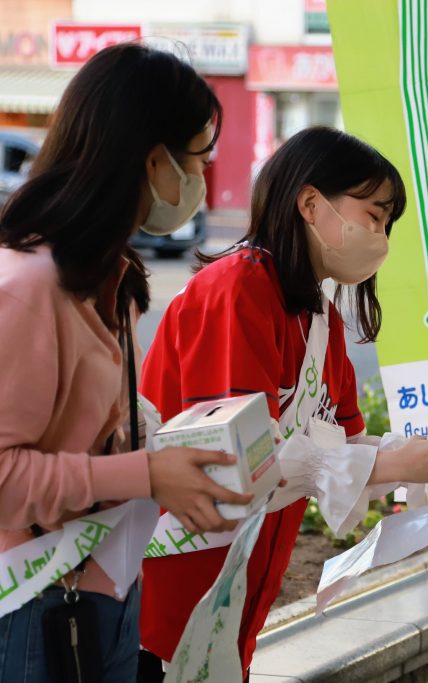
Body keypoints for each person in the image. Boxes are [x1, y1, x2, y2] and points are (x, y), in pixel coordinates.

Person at [134, 127, 428, 679]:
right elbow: (239, 459)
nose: (381, 236)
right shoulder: (238, 287)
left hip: (237, 586)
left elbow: (348, 444)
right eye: (375, 215)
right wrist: (406, 463)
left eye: (387, 224)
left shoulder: (319, 315)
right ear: (311, 203)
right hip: (173, 585)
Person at [0, 43, 253, 681]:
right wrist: (146, 474)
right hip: (29, 607)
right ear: (153, 160)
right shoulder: (29, 287)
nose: (200, 179)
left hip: (100, 591)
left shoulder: (107, 273)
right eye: (197, 157)